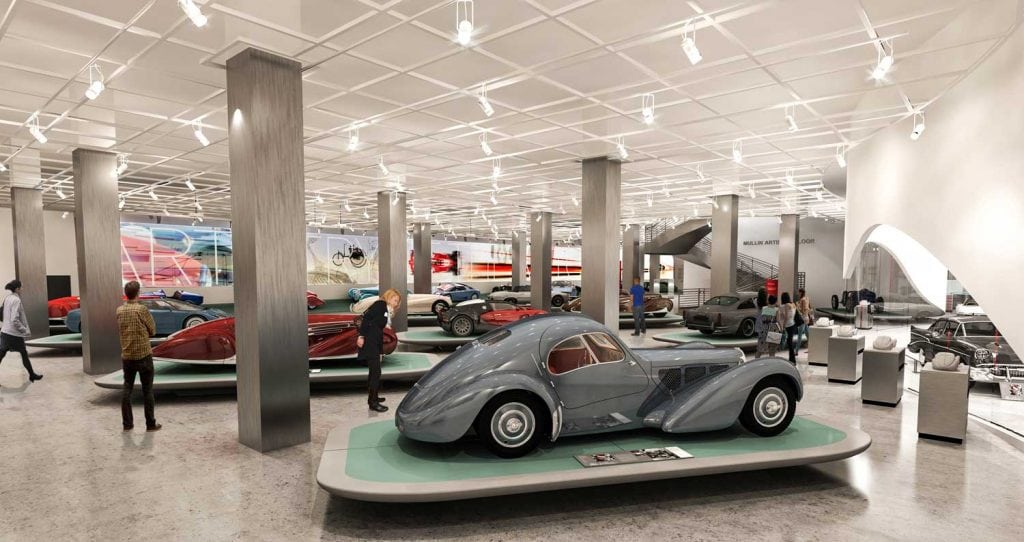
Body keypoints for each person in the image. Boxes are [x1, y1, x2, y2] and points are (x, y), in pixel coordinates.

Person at [117, 281, 160, 432]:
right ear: (138, 293)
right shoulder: (142, 309)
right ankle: (150, 424)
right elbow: (153, 330)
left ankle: (127, 424)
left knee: (127, 388)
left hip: (127, 355)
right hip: (143, 355)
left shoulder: (119, 310)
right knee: (147, 390)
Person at [358, 288, 401, 412]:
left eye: (397, 301)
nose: (396, 303)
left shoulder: (384, 308)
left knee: (374, 372)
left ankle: (374, 397)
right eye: (395, 300)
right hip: (370, 342)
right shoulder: (380, 305)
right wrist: (361, 336)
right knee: (376, 372)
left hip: (375, 341)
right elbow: (366, 319)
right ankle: (373, 402)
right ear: (389, 297)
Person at [0, 279, 43, 382]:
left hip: (5, 331)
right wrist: (23, 330)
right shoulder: (16, 300)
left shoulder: (7, 298)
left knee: (2, 353)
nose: (22, 289)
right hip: (13, 333)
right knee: (23, 353)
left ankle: (32, 374)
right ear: (17, 289)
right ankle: (32, 375)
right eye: (21, 287)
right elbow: (14, 319)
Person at [755, 295, 781, 359]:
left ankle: (756, 361)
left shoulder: (764, 308)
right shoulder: (776, 310)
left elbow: (761, 318)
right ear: (775, 301)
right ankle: (771, 362)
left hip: (764, 329)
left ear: (768, 300)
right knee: (772, 349)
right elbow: (778, 320)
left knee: (760, 349)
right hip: (773, 329)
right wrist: (781, 328)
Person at [779, 292, 799, 363]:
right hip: (793, 324)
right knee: (790, 342)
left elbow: (786, 317)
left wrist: (783, 326)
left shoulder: (786, 305)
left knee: (790, 343)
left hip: (788, 325)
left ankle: (792, 360)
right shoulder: (793, 304)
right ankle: (791, 359)